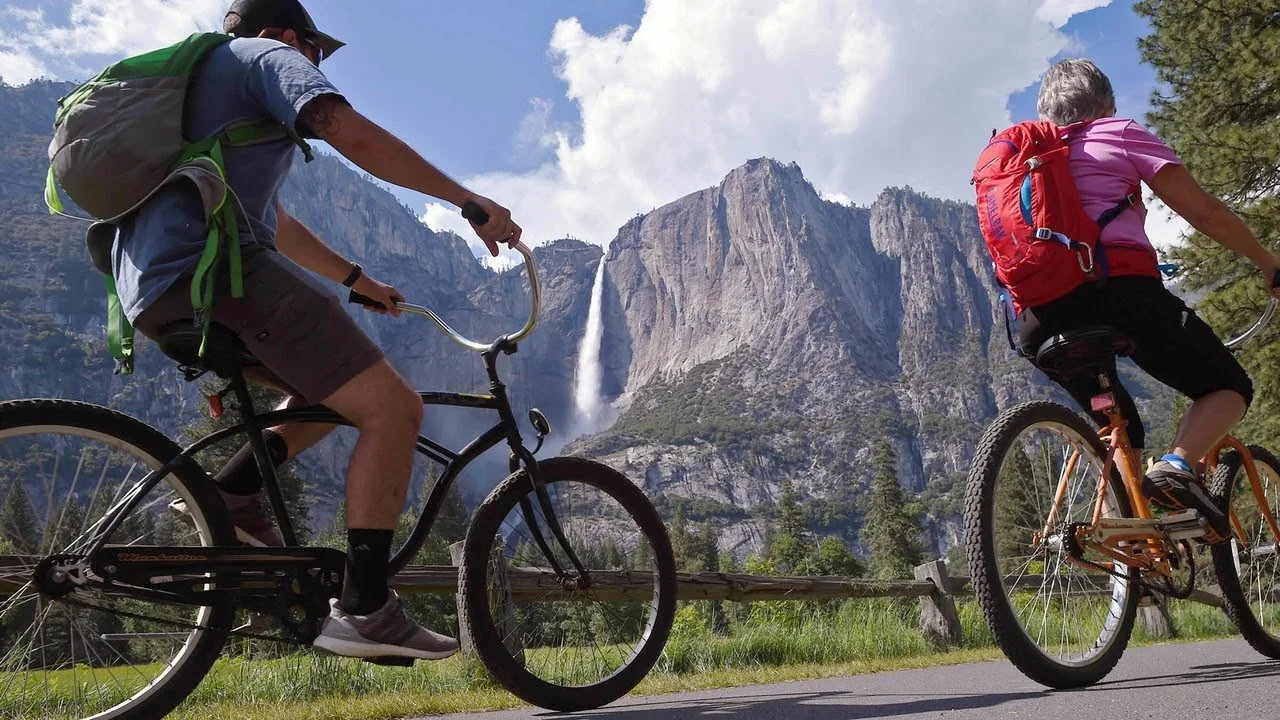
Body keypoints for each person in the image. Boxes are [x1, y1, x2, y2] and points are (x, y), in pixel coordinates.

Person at [116, 0, 520, 659]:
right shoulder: (264, 56)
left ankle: (232, 496)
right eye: (316, 50)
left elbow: (275, 223)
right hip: (216, 272)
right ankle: (365, 609)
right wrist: (468, 201)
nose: (318, 63)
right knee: (394, 407)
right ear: (284, 35)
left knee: (329, 392)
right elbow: (349, 133)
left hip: (155, 289)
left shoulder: (208, 94)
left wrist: (356, 279)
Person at [1016, 58, 1280, 542]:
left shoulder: (1023, 163)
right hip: (1119, 295)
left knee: (1120, 427)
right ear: (1106, 103)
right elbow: (1204, 212)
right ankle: (1176, 467)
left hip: (1039, 320)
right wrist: (1268, 263)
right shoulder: (1117, 132)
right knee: (1228, 386)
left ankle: (1129, 542)